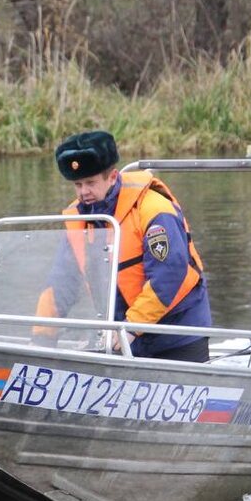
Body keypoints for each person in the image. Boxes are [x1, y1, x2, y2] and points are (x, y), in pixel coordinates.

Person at [35, 130, 212, 361]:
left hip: (177, 334)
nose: (83, 192)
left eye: (90, 182)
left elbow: (169, 275)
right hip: (124, 337)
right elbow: (61, 285)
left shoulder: (154, 210)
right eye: (77, 185)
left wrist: (131, 327)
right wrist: (41, 337)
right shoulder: (79, 219)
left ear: (112, 177)